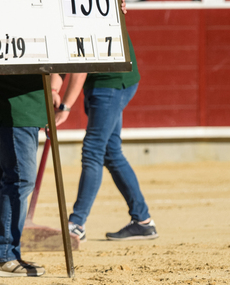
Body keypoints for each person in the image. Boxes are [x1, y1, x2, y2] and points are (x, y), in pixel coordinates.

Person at [55, 24, 156, 244]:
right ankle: (143, 221)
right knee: (110, 151)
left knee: (93, 150)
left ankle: (77, 224)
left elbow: (80, 69)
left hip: (108, 82)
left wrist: (65, 107)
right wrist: (54, 90)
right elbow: (63, 59)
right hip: (110, 80)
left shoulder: (80, 11)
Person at [0, 71, 48, 278]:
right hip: (18, 108)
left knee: (0, 180)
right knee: (19, 180)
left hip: (8, 107)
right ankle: (2, 255)